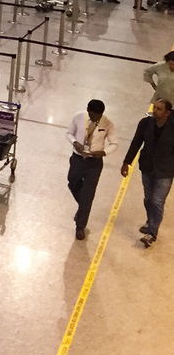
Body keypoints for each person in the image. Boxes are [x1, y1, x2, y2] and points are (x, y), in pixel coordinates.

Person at [121, 98, 174, 247]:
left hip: (165, 170)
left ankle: (151, 233)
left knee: (157, 201)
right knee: (148, 199)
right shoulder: (145, 123)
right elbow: (136, 142)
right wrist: (127, 162)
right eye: (154, 108)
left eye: (159, 109)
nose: (154, 111)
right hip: (147, 167)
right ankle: (151, 221)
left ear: (167, 113)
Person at [67, 99, 117, 240]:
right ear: (89, 111)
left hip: (94, 163)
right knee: (72, 183)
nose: (97, 118)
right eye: (94, 115)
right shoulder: (78, 117)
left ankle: (80, 226)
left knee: (88, 196)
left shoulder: (107, 123)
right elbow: (69, 133)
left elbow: (114, 143)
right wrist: (75, 142)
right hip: (78, 159)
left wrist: (104, 152)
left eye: (99, 115)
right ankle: (83, 207)